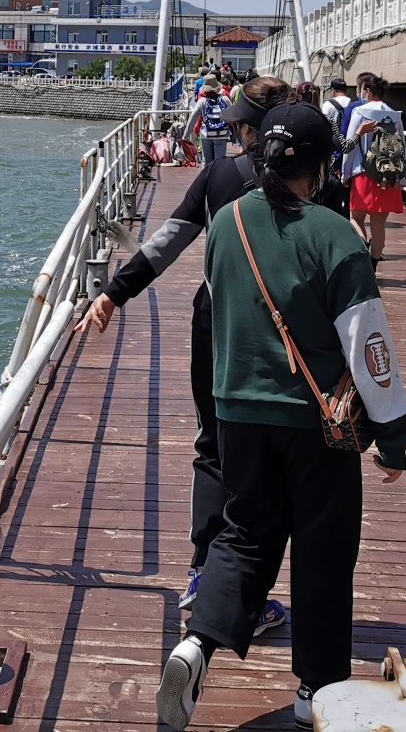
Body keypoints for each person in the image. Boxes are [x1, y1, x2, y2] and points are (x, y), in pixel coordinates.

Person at [157, 104, 406, 731]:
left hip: (237, 414)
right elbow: (368, 346)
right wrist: (393, 437)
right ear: (323, 164)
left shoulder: (227, 224)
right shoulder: (335, 234)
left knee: (244, 534)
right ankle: (313, 692)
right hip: (314, 423)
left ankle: (196, 645)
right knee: (323, 552)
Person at [75, 76, 293, 630]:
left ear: (251, 129)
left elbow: (165, 242)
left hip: (215, 323)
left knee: (214, 445)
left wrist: (112, 294)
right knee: (274, 457)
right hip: (282, 335)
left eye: (242, 125)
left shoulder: (219, 175)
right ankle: (244, 592)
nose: (238, 133)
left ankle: (203, 573)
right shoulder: (313, 180)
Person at [343, 75, 406, 261]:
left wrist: (345, 174)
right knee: (379, 226)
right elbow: (401, 147)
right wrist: (402, 179)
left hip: (363, 173)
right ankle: (374, 264)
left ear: (367, 92)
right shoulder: (394, 115)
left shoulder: (360, 112)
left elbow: (350, 146)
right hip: (388, 174)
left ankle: (362, 256)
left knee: (356, 219)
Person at [186, 73, 233, 165]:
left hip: (206, 133)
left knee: (207, 162)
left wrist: (185, 135)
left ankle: (207, 179)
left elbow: (193, 118)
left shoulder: (202, 101)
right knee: (219, 163)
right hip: (222, 134)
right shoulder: (225, 99)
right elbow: (233, 116)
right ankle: (218, 178)